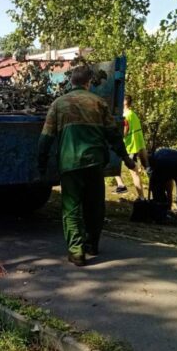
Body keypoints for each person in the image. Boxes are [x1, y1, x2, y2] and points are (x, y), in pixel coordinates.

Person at [38, 66, 135, 266]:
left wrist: (41, 164)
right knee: (95, 206)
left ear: (71, 81)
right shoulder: (98, 103)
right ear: (88, 83)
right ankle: (92, 245)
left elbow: (46, 138)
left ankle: (77, 252)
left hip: (70, 163)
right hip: (94, 162)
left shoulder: (58, 104)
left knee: (71, 208)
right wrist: (126, 158)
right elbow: (114, 135)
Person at [114, 95, 149, 197]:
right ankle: (121, 185)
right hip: (139, 144)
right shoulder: (133, 114)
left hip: (130, 147)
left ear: (124, 102)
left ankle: (141, 198)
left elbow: (124, 133)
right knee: (147, 169)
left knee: (134, 173)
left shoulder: (125, 116)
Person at [149, 148, 177, 228]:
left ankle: (160, 217)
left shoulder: (155, 159)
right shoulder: (167, 153)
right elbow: (169, 188)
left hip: (163, 161)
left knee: (158, 188)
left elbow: (163, 186)